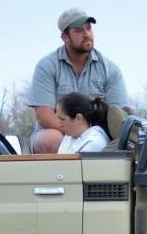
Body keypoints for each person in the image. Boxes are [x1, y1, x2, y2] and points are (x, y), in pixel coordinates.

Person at [29, 8, 127, 153]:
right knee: (50, 140)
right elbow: (44, 116)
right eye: (78, 30)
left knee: (110, 144)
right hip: (58, 131)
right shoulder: (46, 66)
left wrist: (88, 136)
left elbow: (118, 117)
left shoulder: (111, 70)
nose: (86, 34)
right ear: (65, 37)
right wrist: (76, 132)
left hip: (97, 134)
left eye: (88, 28)